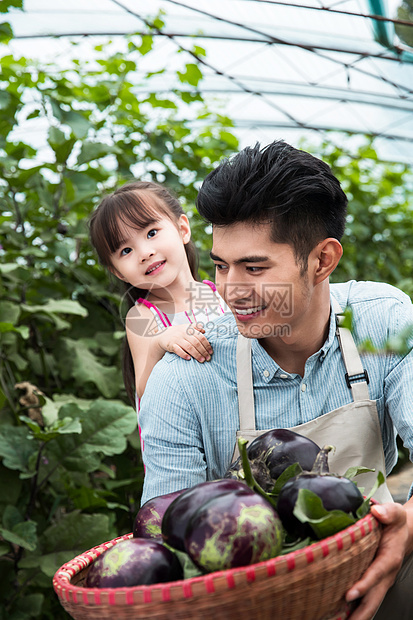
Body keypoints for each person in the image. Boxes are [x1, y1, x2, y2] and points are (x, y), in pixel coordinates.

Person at [138, 141, 413, 619]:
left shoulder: (382, 324)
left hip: (378, 557)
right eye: (221, 265)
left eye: (255, 267)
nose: (230, 291)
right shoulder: (184, 377)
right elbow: (171, 538)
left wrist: (408, 530)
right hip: (248, 597)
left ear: (323, 260)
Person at [88, 181, 228, 409]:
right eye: (126, 251)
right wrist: (159, 344)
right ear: (118, 272)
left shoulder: (223, 296)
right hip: (180, 437)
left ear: (182, 229)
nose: (144, 253)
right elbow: (144, 390)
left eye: (152, 233)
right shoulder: (143, 317)